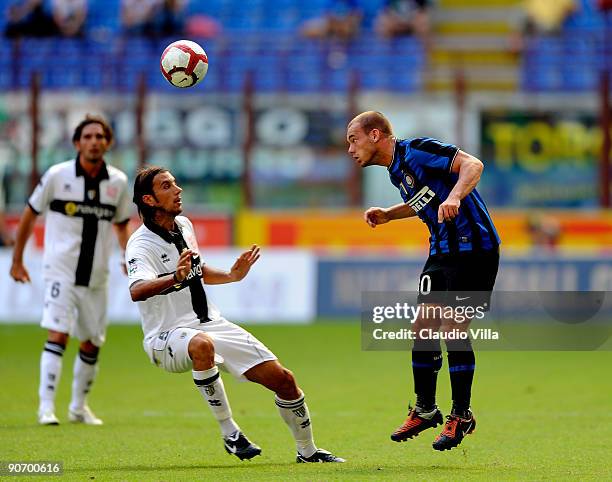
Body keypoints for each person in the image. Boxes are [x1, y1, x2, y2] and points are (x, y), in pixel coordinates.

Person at [125, 166, 345, 463]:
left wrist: (231, 274)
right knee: (201, 345)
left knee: (285, 381)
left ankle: (307, 452)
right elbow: (137, 290)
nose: (178, 190)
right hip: (165, 336)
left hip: (211, 324)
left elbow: (197, 272)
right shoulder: (140, 244)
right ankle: (231, 433)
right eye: (167, 186)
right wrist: (173, 278)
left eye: (176, 183)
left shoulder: (185, 226)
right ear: (149, 200)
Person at [346, 111, 500, 451]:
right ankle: (426, 409)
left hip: (474, 247)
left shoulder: (416, 149)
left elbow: (473, 165)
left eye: (353, 140)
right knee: (423, 327)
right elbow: (424, 200)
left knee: (453, 327)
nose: (350, 149)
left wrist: (456, 196)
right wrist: (390, 214)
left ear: (375, 135)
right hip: (441, 251)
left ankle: (461, 414)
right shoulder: (396, 171)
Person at [9, 115, 132, 426]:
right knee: (58, 333)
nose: (94, 141)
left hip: (96, 276)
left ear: (108, 142)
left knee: (92, 341)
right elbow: (29, 214)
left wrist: (129, 256)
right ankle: (46, 407)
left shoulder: (117, 182)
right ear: (77, 143)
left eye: (100, 136)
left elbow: (121, 226)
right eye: (88, 136)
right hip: (61, 272)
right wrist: (17, 259)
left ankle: (78, 407)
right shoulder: (57, 175)